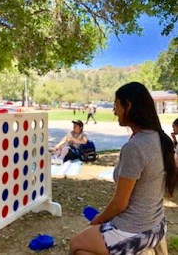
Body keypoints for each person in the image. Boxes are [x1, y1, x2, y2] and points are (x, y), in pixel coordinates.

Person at [70, 82, 177, 255]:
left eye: (116, 105)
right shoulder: (161, 137)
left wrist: (97, 220)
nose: (114, 111)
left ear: (129, 106)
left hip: (134, 229)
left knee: (76, 245)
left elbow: (120, 203)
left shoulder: (136, 147)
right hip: (156, 224)